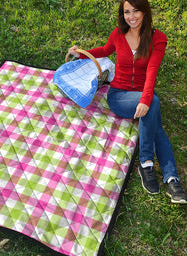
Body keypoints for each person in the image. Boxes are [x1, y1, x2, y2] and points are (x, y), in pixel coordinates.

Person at [68, 0, 187, 204]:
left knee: (154, 116)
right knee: (154, 107)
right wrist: (81, 55)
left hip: (141, 93)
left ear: (145, 11)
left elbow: (152, 71)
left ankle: (169, 177)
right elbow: (105, 50)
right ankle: (152, 166)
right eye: (127, 12)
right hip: (119, 95)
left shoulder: (158, 39)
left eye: (136, 11)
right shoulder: (118, 34)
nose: (131, 16)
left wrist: (145, 99)